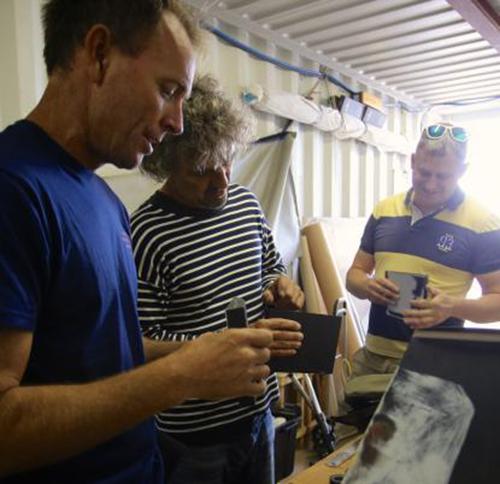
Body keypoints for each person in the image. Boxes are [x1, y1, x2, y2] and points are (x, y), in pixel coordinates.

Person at [0, 1, 277, 482]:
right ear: (100, 53)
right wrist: (183, 376)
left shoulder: (105, 203)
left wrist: (211, 351)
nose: (178, 124)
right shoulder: (12, 187)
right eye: (168, 90)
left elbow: (111, 352)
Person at [131, 74, 305, 484]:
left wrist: (283, 284)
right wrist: (221, 347)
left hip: (259, 413)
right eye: (202, 171)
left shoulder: (245, 203)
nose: (222, 181)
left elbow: (271, 264)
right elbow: (135, 341)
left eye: (227, 161)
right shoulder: (147, 233)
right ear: (165, 165)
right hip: (193, 439)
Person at [346, 123, 500, 378]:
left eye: (443, 177)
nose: (430, 185)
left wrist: (451, 307)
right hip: (373, 358)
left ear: (463, 171)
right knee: (351, 419)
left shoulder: (483, 223)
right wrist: (365, 286)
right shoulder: (385, 210)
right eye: (424, 172)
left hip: (435, 364)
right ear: (413, 161)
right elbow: (355, 273)